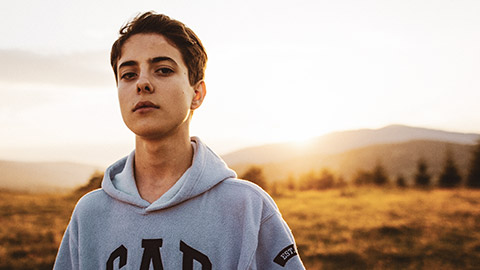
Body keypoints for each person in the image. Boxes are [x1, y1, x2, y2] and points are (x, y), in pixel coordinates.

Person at [54, 11, 305, 269]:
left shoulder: (247, 208)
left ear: (197, 93)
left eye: (163, 70)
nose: (142, 83)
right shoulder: (90, 214)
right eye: (128, 74)